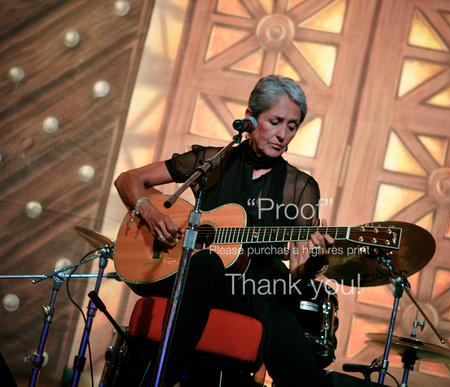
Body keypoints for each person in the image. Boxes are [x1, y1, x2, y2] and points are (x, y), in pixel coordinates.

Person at [114, 75, 334, 386]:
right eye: (275, 122)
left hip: (258, 291)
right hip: (194, 279)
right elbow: (128, 180)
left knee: (307, 381)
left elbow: (297, 273)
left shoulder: (300, 188)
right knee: (206, 262)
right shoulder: (211, 161)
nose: (282, 135)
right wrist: (149, 213)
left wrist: (312, 262)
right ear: (249, 117)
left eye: (292, 126)